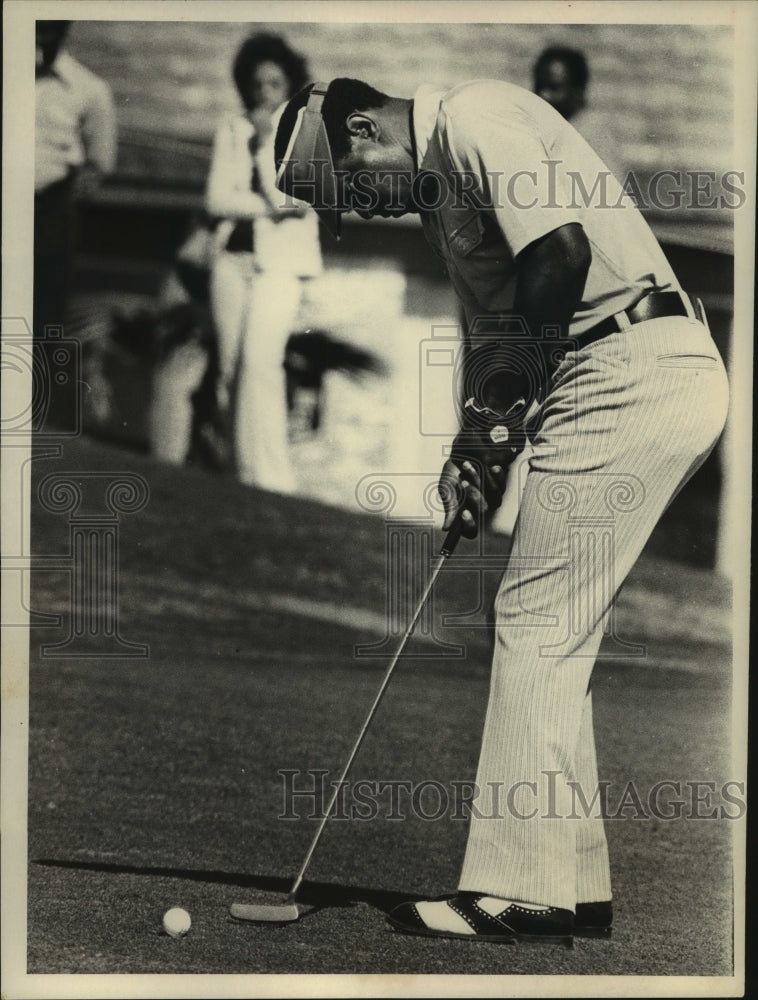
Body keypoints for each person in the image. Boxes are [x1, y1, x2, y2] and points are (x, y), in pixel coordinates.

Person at [272, 78, 729, 943]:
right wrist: (472, 452)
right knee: (553, 628)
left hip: (632, 364)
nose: (365, 208)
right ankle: (567, 888)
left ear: (366, 126)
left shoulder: (475, 117)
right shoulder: (443, 198)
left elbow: (560, 254)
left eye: (354, 185)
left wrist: (495, 424)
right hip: (610, 377)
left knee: (534, 617)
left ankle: (522, 889)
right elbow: (496, 341)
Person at [205, 32, 322, 494]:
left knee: (261, 362)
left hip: (282, 265)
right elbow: (216, 200)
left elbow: (293, 198)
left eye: (274, 84)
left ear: (289, 84)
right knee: (232, 368)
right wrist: (262, 205)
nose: (264, 93)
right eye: (256, 84)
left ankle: (272, 479)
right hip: (231, 261)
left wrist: (259, 149)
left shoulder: (307, 131)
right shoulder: (229, 128)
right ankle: (239, 476)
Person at [34, 20, 117, 339]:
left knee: (46, 310)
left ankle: (39, 388)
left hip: (50, 211)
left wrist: (57, 204)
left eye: (49, 30)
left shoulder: (89, 89)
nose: (40, 38)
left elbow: (99, 162)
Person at [532, 45, 624, 179]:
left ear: (578, 91)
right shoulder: (537, 130)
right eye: (539, 86)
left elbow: (609, 194)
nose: (544, 95)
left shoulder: (593, 136)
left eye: (554, 88)